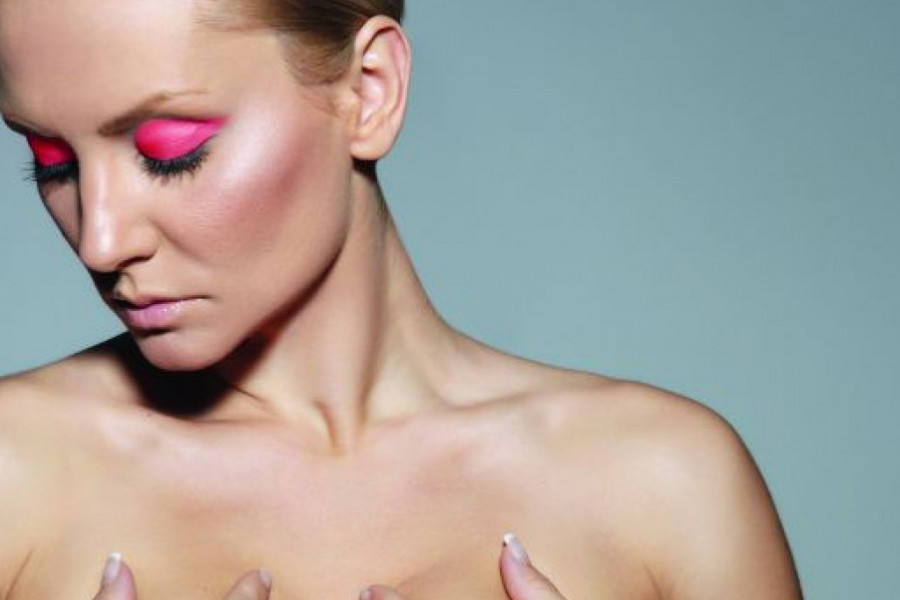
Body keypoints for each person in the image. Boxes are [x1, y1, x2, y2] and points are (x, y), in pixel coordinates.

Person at [0, 0, 803, 598]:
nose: (100, 240)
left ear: (370, 91)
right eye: (53, 162)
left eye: (169, 152)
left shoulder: (664, 486)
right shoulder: (18, 471)